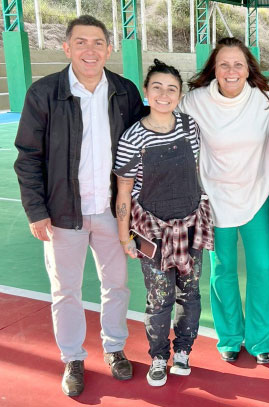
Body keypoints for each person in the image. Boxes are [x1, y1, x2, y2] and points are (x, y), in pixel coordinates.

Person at [13, 15, 144, 396]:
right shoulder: (43, 93)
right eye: (81, 42)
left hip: (111, 212)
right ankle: (72, 358)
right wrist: (36, 210)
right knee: (66, 290)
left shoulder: (125, 91)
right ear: (67, 48)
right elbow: (28, 156)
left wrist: (136, 208)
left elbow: (140, 151)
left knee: (116, 285)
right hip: (62, 214)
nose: (91, 50)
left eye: (98, 42)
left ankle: (115, 348)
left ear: (109, 49)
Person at [177, 37, 269, 364]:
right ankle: (229, 337)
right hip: (215, 199)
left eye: (238, 64)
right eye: (224, 64)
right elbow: (167, 119)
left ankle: (260, 340)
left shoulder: (267, 97)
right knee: (222, 270)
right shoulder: (196, 101)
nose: (231, 71)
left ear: (248, 68)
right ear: (214, 69)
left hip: (257, 196)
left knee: (261, 268)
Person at [114, 60, 214, 386]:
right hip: (150, 230)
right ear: (146, 91)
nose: (164, 94)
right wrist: (125, 237)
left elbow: (194, 170)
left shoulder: (189, 126)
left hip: (190, 225)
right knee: (159, 298)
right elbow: (124, 191)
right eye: (157, 87)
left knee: (190, 292)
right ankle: (158, 357)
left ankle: (183, 350)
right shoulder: (132, 137)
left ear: (179, 95)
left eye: (172, 89)